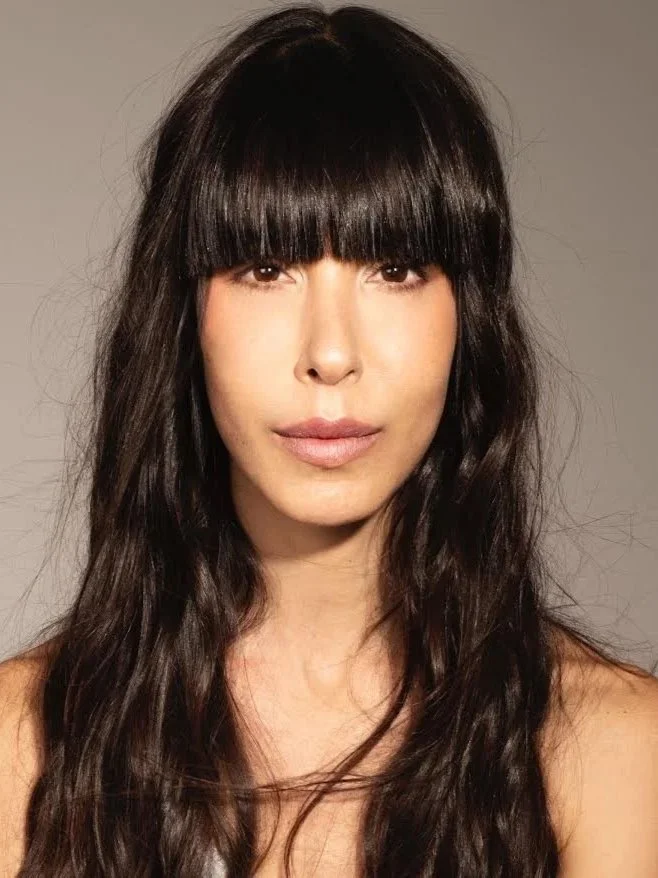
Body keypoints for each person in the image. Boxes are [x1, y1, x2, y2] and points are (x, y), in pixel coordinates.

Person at [1, 3, 657, 876]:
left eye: (395, 268)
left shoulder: (610, 748)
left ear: (470, 316)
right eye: (267, 268)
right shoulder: (21, 745)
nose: (332, 354)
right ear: (185, 315)